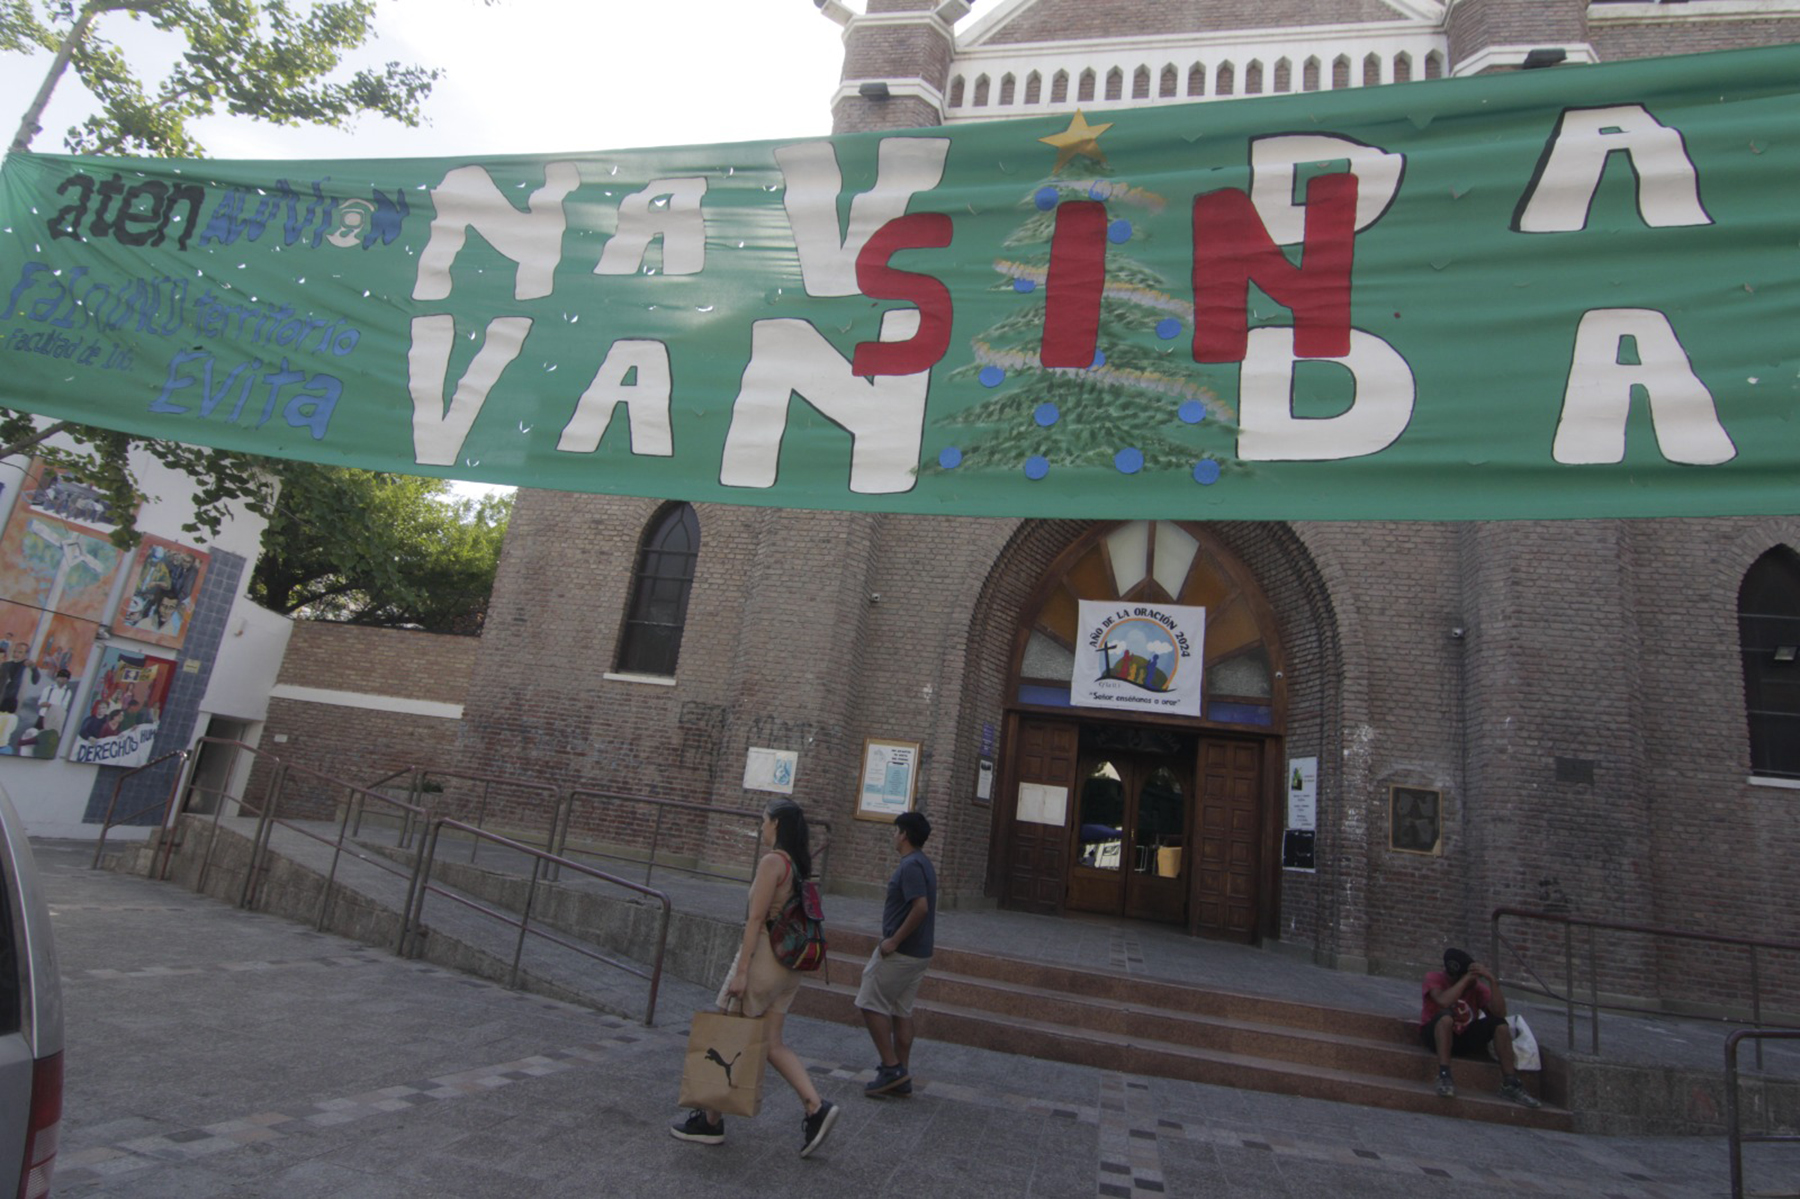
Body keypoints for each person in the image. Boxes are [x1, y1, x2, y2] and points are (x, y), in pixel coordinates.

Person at [672, 798, 839, 1157]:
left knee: (729, 1034)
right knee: (772, 1043)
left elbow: (754, 920)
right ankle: (815, 1106)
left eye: (764, 821)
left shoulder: (772, 862)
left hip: (763, 961)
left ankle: (711, 1122)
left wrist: (742, 972)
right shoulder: (797, 865)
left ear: (776, 824)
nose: (761, 827)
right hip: (789, 969)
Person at [858, 810, 937, 1098]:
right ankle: (901, 1077)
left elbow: (920, 907)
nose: (893, 836)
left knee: (869, 1001)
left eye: (895, 831)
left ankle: (891, 1067)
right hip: (920, 952)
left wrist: (893, 941)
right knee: (901, 1011)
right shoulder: (924, 863)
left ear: (903, 834)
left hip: (902, 952)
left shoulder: (911, 866)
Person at [1421, 947, 1541, 1108]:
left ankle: (1510, 1083)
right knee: (1445, 1017)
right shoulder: (1434, 978)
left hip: (1463, 1038)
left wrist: (1492, 981)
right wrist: (1465, 981)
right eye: (1469, 977)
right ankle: (1444, 1075)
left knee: (1500, 1024)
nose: (1473, 981)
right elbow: (1443, 1001)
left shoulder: (1476, 988)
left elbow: (1500, 1013)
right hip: (1435, 1036)